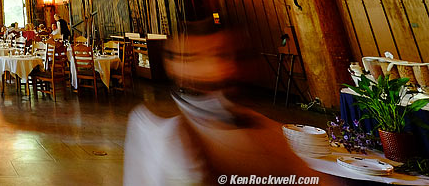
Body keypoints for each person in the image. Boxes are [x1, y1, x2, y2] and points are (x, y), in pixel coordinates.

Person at [123, 22, 326, 185]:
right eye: (192, 58)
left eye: (220, 56)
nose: (212, 67)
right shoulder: (159, 133)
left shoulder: (266, 133)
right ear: (173, 65)